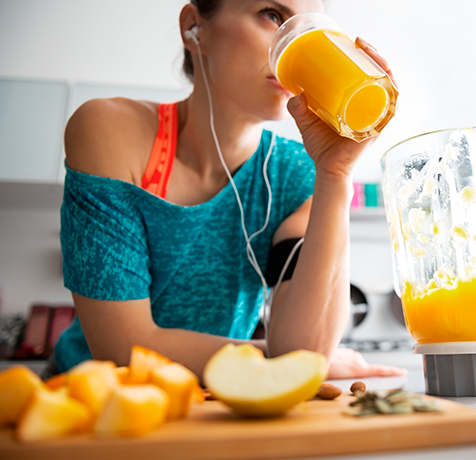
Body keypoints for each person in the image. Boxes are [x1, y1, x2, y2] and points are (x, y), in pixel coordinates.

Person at [49, 0, 405, 382]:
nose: (295, 42)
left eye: (310, 29)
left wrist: (336, 175)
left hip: (214, 405)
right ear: (194, 28)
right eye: (273, 15)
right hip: (91, 405)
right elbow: (123, 349)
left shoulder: (297, 173)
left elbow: (304, 350)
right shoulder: (110, 130)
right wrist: (276, 359)